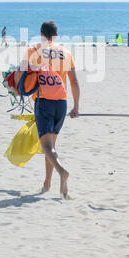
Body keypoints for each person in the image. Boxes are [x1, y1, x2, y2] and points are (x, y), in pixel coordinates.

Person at [19, 21, 80, 199]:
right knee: (51, 147)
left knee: (46, 147)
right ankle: (47, 184)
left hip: (44, 102)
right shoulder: (66, 53)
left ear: (41, 33)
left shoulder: (33, 50)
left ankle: (62, 172)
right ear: (56, 35)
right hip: (61, 103)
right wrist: (76, 106)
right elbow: (74, 82)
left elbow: (20, 75)